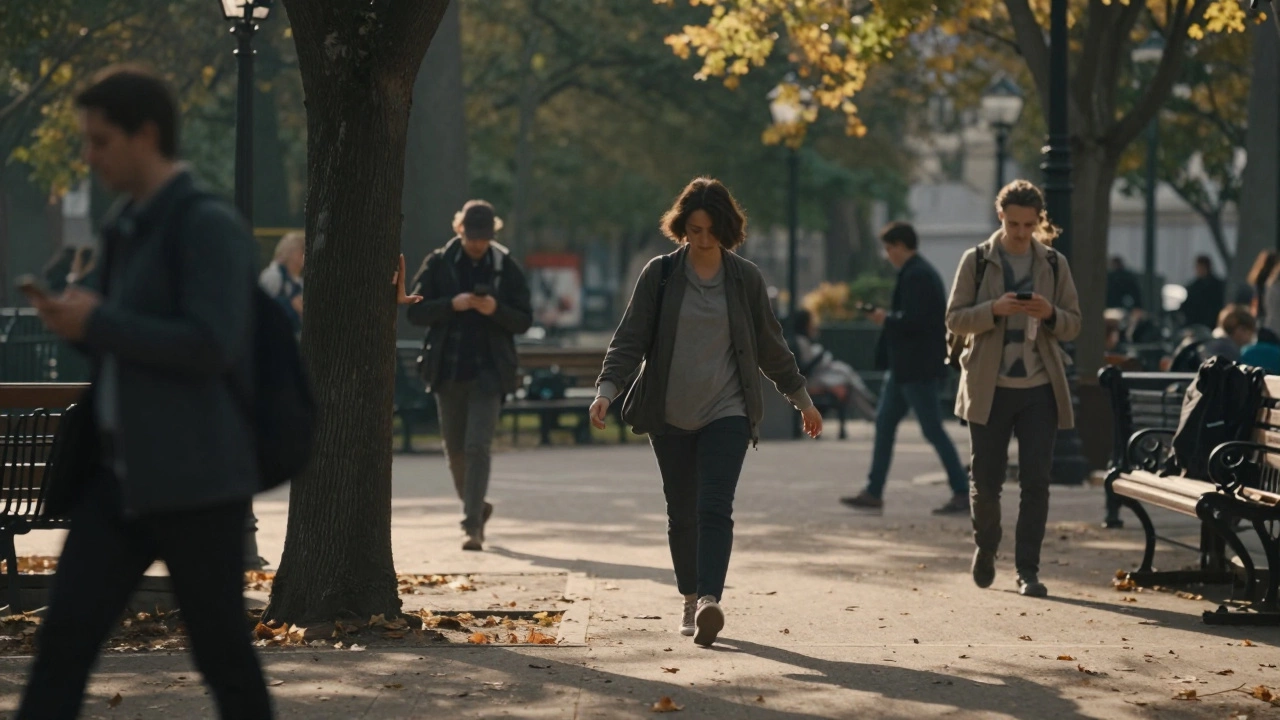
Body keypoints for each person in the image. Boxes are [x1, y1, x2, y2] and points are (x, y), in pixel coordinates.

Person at [18, 65, 272, 719]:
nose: (90, 156)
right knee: (61, 651)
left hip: (196, 483)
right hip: (117, 479)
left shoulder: (207, 226)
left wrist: (98, 321)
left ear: (146, 135)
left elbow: (210, 344)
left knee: (225, 663)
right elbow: (125, 341)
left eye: (100, 141)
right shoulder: (125, 226)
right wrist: (76, 324)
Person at [590, 177, 823, 648]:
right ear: (682, 228)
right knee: (682, 511)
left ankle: (709, 601)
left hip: (728, 409)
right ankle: (690, 594)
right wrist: (606, 391)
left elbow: (769, 346)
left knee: (715, 506)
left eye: (711, 230)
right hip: (669, 411)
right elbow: (630, 339)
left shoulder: (745, 278)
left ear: (727, 230)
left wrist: (803, 399)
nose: (702, 239)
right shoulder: (660, 275)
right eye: (693, 230)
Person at [945, 179, 1082, 599]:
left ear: (1039, 221)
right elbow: (954, 318)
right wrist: (994, 310)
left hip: (1039, 387)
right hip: (990, 386)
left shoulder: (1054, 263)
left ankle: (1028, 570)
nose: (1021, 232)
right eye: (1014, 223)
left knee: (1036, 481)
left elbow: (1074, 323)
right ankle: (986, 547)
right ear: (1000, 216)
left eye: (1029, 224)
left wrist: (1051, 312)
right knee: (986, 483)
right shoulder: (978, 260)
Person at [406, 200, 532, 552]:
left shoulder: (505, 265)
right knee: (456, 451)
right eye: (473, 236)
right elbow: (415, 312)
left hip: (490, 373)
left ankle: (471, 525)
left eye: (485, 237)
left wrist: (496, 310)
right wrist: (451, 304)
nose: (479, 244)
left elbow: (524, 318)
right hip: (447, 370)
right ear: (460, 230)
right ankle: (477, 505)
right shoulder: (439, 262)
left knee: (478, 446)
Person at [841, 222, 970, 515]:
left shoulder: (917, 275)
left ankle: (962, 491)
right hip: (906, 369)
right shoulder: (919, 273)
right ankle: (874, 491)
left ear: (901, 246)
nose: (888, 256)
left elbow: (917, 322)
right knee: (885, 427)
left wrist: (885, 319)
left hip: (916, 368)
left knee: (932, 429)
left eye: (889, 249)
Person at [791, 308, 877, 420]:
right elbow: (805, 368)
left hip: (818, 376)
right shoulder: (800, 341)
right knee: (845, 375)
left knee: (844, 371)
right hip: (811, 380)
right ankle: (871, 407)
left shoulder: (805, 339)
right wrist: (820, 356)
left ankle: (871, 409)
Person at [260, 231, 305, 336]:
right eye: (301, 250)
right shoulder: (272, 276)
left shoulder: (300, 282)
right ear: (290, 252)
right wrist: (290, 305)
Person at [1179, 254, 1226, 330]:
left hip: (1211, 324)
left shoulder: (1217, 286)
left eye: (1200, 267)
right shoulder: (1193, 286)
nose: (1198, 270)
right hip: (1196, 324)